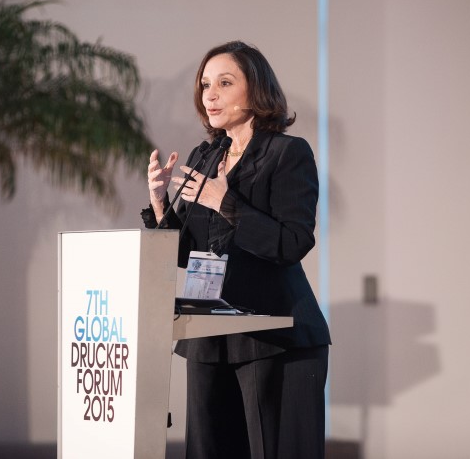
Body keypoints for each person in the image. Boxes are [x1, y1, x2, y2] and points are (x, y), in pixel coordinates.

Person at [142, 41, 331, 459]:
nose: (210, 95)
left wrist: (225, 203)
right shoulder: (206, 157)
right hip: (208, 337)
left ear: (256, 89)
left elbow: (292, 243)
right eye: (205, 85)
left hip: (275, 337)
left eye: (224, 83)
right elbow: (185, 252)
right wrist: (158, 203)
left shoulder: (287, 153)